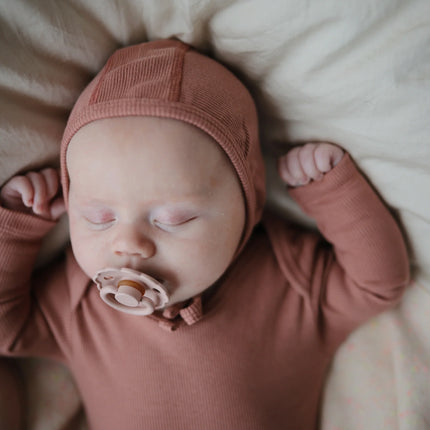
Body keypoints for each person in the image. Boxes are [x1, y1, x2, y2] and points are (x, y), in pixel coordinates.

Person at [0, 39, 409, 430]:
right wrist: (17, 229)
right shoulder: (79, 303)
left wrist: (333, 193)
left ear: (250, 203)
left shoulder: (288, 276)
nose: (127, 243)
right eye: (98, 217)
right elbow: (7, 331)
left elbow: (378, 284)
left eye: (172, 219)